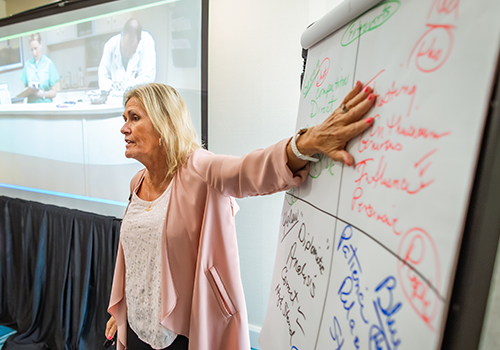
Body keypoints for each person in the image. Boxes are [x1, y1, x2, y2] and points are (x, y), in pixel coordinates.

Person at [105, 82, 377, 349]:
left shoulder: (198, 167)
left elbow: (247, 170)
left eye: (135, 117)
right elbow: (138, 257)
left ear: (164, 123)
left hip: (181, 332)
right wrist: (123, 311)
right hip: (136, 324)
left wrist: (304, 144)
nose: (123, 127)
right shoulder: (137, 182)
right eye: (125, 118)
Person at [98, 18, 156, 92]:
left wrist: (126, 86)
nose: (127, 53)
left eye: (132, 51)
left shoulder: (146, 42)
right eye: (125, 49)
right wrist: (113, 87)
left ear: (138, 43)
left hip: (138, 98)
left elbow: (147, 78)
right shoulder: (110, 45)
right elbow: (103, 77)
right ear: (122, 36)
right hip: (114, 98)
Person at [20, 33, 60, 103]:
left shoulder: (48, 63)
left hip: (46, 106)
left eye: (36, 48)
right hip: (32, 106)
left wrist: (43, 94)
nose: (34, 53)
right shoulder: (27, 65)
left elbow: (54, 92)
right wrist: (29, 91)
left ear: (41, 45)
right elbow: (23, 90)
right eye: (32, 50)